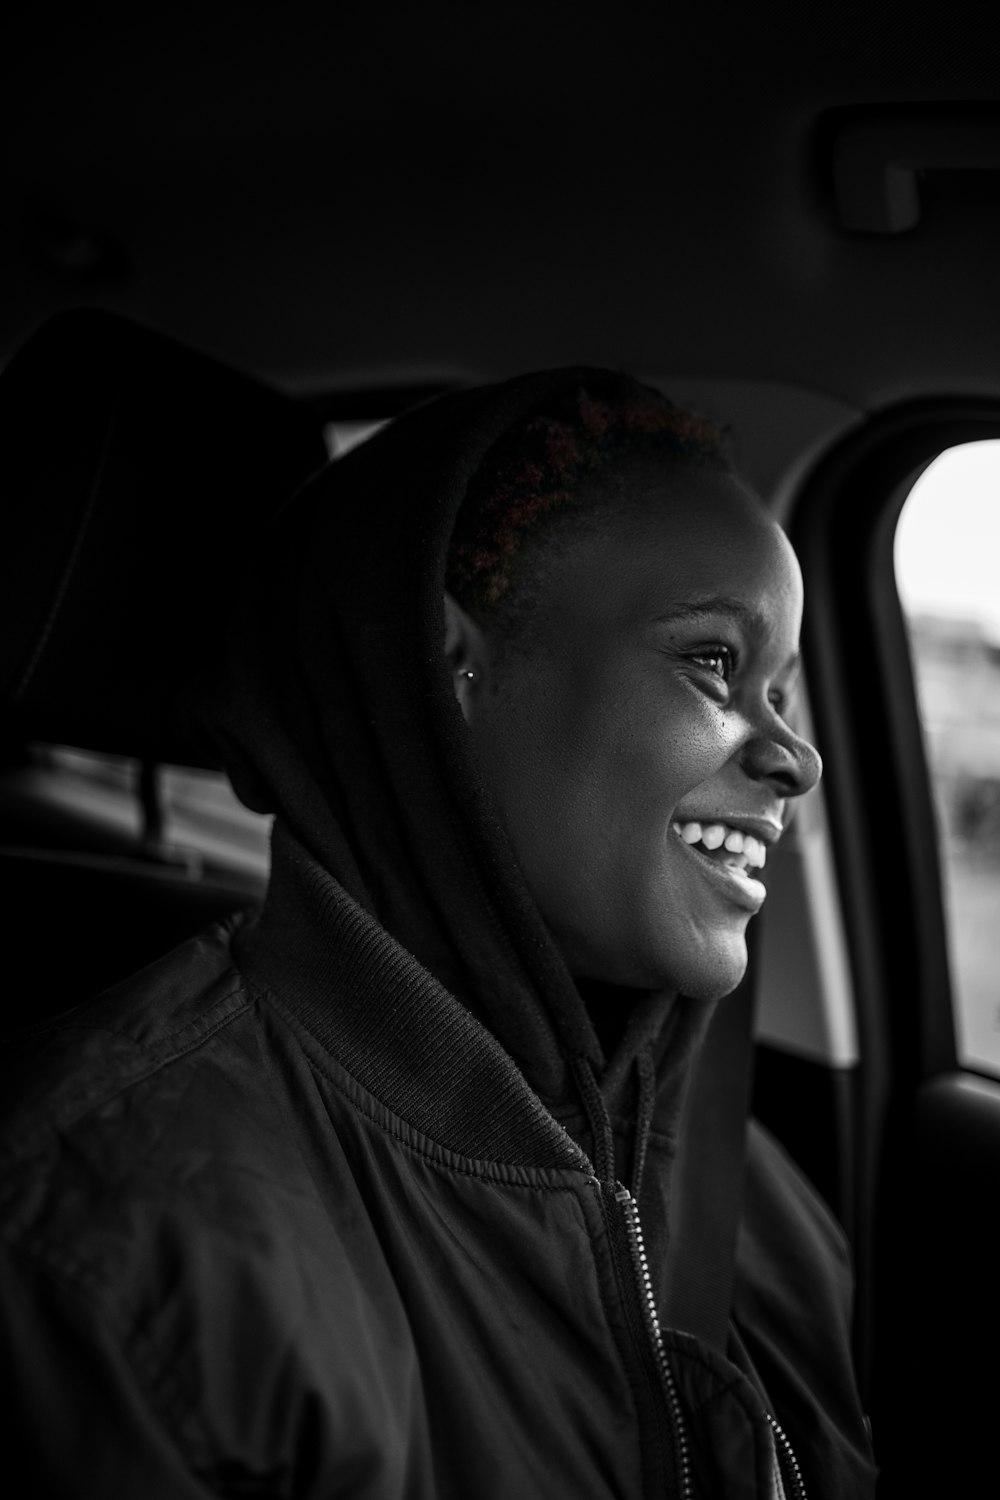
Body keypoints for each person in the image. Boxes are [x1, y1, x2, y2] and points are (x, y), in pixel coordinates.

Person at [0, 368, 877, 1497]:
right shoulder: (101, 1249)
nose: (795, 758)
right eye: (715, 659)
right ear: (450, 664)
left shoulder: (758, 1197)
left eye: (786, 694)